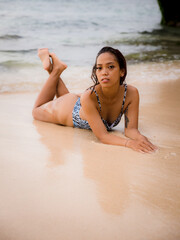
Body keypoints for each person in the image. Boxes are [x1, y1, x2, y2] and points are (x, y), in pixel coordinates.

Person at [32, 47, 157, 153]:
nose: (104, 72)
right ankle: (55, 70)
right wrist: (129, 144)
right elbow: (103, 136)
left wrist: (141, 138)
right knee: (36, 111)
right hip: (68, 109)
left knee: (72, 98)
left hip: (83, 104)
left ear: (122, 71)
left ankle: (55, 67)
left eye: (111, 67)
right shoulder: (90, 96)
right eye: (99, 68)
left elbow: (131, 130)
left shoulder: (131, 93)